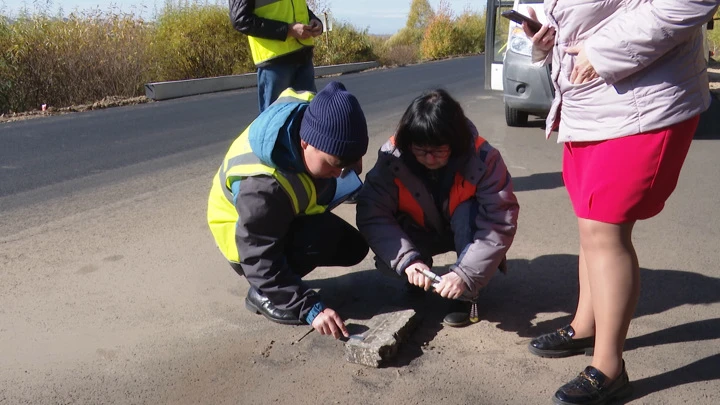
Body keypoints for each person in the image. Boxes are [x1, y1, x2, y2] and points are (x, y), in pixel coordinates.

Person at [522, 1, 719, 404]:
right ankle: (586, 324)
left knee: (604, 227)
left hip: (644, 100)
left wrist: (604, 50)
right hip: (587, 100)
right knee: (589, 221)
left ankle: (609, 368)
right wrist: (541, 31)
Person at [207, 81, 369, 339]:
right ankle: (263, 293)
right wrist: (309, 307)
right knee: (311, 244)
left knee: (353, 247)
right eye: (335, 165)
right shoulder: (264, 188)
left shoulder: (313, 111)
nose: (341, 174)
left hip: (274, 218)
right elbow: (258, 256)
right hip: (248, 247)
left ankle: (283, 280)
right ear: (305, 143)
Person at [355, 89, 519, 327]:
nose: (430, 159)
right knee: (395, 254)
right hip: (420, 229)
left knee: (467, 213)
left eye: (439, 150)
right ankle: (417, 273)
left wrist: (465, 275)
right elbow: (372, 213)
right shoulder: (392, 158)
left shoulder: (484, 158)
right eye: (421, 150)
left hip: (464, 230)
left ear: (456, 141)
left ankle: (466, 294)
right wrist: (408, 261)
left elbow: (499, 221)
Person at [229, 0, 323, 112]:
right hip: (275, 63)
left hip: (303, 57)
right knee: (274, 122)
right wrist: (288, 30)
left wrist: (314, 20)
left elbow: (295, 7)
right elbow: (240, 20)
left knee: (309, 121)